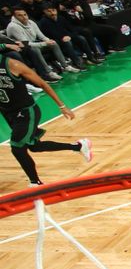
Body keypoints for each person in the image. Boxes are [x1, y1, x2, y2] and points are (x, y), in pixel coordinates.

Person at [0, 55, 91, 185]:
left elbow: (42, 83)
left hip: (26, 111)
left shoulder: (13, 65)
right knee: (34, 146)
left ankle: (35, 183)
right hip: (8, 113)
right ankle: (79, 146)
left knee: (17, 147)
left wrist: (62, 106)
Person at [6, 7, 81, 78]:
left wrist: (48, 40)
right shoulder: (13, 27)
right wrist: (44, 43)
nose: (24, 17)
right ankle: (48, 72)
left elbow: (41, 36)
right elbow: (26, 43)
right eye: (20, 15)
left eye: (25, 14)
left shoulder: (31, 22)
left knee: (53, 43)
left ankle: (65, 66)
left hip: (33, 43)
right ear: (14, 17)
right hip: (22, 48)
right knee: (35, 49)